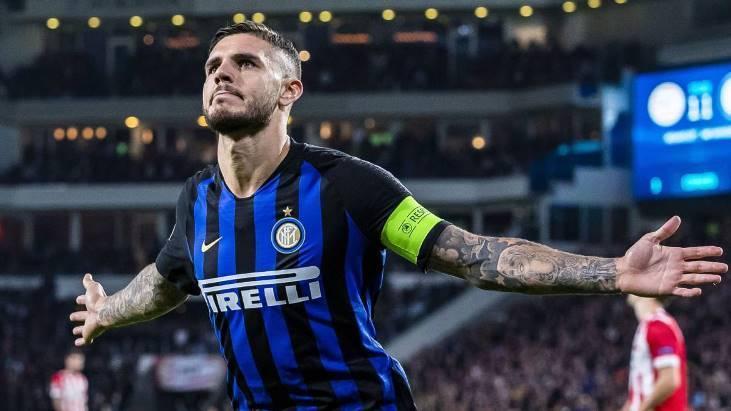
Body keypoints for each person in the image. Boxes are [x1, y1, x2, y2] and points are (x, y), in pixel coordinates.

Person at [69, 21, 727, 410]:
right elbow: (166, 280)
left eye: (245, 63)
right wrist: (107, 312)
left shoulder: (348, 186)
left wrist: (611, 272)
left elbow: (476, 255)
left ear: (290, 90)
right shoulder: (197, 201)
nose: (222, 73)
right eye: (214, 65)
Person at [623, 296, 688, 411]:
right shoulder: (647, 326)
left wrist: (641, 409)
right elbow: (636, 396)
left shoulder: (659, 326)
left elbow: (669, 380)